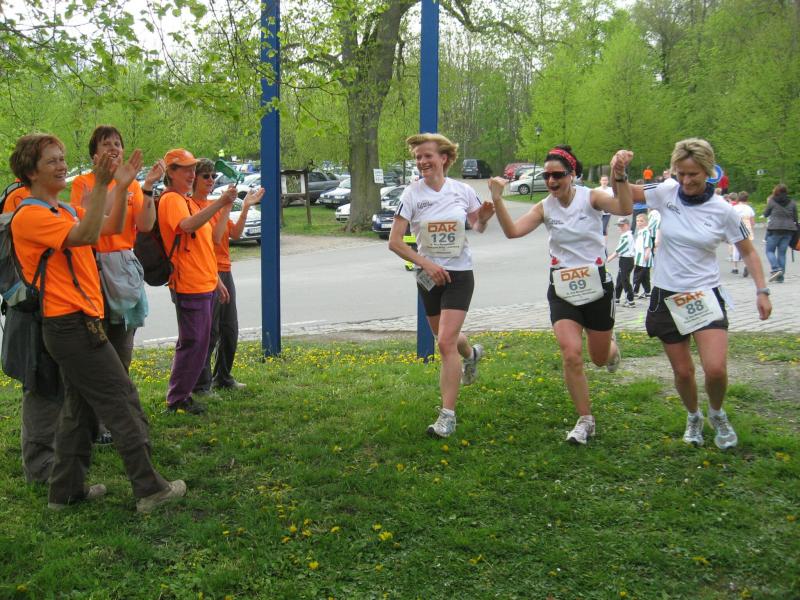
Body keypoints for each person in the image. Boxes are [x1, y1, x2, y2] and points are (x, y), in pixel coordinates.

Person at [9, 133, 185, 512]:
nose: (62, 166)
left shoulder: (61, 210)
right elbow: (87, 233)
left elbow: (111, 227)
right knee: (121, 399)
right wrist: (104, 184)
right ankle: (150, 489)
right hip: (70, 327)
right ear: (31, 172)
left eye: (62, 158)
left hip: (81, 322)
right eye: (52, 160)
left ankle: (65, 492)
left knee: (80, 409)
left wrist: (121, 187)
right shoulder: (31, 215)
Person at [613, 138, 772, 449]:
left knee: (715, 369)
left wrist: (762, 291)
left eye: (693, 174)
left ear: (708, 172)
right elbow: (626, 197)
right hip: (667, 294)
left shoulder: (724, 211)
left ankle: (717, 413)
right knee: (684, 372)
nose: (685, 181)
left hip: (703, 295)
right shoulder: (666, 191)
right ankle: (693, 415)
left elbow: (749, 252)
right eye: (681, 173)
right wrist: (618, 172)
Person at [489, 145, 631, 445]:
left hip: (596, 286)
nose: (552, 181)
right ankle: (585, 420)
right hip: (562, 286)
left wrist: (618, 174)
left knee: (598, 358)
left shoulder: (591, 197)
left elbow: (624, 207)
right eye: (547, 176)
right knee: (571, 353)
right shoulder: (545, 207)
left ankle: (611, 349)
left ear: (572, 174)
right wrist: (497, 199)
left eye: (558, 175)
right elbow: (513, 231)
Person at [388, 133, 494, 438]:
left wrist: (485, 218)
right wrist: (427, 264)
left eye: (427, 156)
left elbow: (478, 225)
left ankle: (447, 416)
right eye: (418, 157)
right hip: (428, 277)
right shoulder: (411, 194)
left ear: (444, 158)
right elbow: (395, 242)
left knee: (445, 344)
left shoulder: (462, 190)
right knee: (447, 338)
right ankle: (471, 354)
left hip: (459, 275)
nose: (422, 162)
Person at [70, 125, 165, 444]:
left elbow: (145, 225)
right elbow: (93, 220)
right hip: (93, 267)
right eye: (106, 144)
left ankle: (116, 420)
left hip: (124, 268)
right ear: (94, 154)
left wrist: (147, 188)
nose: (114, 148)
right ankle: (95, 423)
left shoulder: (133, 184)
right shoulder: (84, 183)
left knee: (122, 348)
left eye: (118, 143)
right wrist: (119, 185)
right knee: (97, 348)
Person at [158, 149, 235, 414]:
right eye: (186, 169)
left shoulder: (185, 200)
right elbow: (187, 226)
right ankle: (177, 398)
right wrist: (220, 202)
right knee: (193, 343)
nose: (192, 174)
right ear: (171, 172)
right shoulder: (172, 199)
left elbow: (205, 244)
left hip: (203, 282)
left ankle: (183, 395)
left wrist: (215, 279)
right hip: (188, 284)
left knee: (200, 342)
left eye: (194, 169)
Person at [192, 158, 264, 394]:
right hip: (207, 272)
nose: (211, 180)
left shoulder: (215, 203)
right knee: (210, 332)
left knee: (230, 328)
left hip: (225, 270)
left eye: (213, 176)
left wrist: (244, 207)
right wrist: (224, 205)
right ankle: (201, 383)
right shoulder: (195, 206)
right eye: (206, 176)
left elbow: (235, 233)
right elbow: (214, 237)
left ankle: (223, 376)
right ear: (194, 179)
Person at [763, 184, 797, 283]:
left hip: (775, 229)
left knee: (769, 251)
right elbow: (795, 218)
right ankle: (780, 277)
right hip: (789, 230)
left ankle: (776, 269)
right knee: (782, 254)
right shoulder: (792, 202)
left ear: (776, 191)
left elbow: (766, 214)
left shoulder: (772, 201)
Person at [607, 217, 636, 307]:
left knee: (625, 280)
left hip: (627, 260)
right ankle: (616, 298)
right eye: (619, 226)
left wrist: (609, 258)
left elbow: (620, 249)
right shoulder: (624, 235)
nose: (620, 227)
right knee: (619, 279)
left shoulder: (627, 236)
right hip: (624, 260)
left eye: (622, 226)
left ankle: (630, 300)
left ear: (627, 225)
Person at [731, 191, 755, 277]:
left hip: (737, 229)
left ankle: (735, 267)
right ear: (747, 199)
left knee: (736, 248)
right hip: (747, 229)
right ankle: (746, 265)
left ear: (738, 198)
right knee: (747, 249)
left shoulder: (734, 208)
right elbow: (752, 222)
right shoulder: (749, 209)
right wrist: (752, 230)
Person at [632, 213, 653, 298]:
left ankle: (634, 291)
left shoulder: (645, 232)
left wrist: (646, 256)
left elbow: (648, 245)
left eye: (641, 221)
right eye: (637, 221)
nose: (639, 223)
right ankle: (647, 292)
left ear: (646, 222)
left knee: (637, 275)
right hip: (640, 258)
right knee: (645, 276)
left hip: (643, 259)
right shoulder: (640, 232)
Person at [596, 175, 613, 245]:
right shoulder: (596, 190)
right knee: (598, 228)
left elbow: (614, 200)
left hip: (607, 213)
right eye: (603, 180)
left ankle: (604, 245)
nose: (604, 182)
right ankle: (598, 243)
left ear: (608, 181)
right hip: (597, 212)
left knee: (603, 229)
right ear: (600, 181)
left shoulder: (611, 190)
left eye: (605, 180)